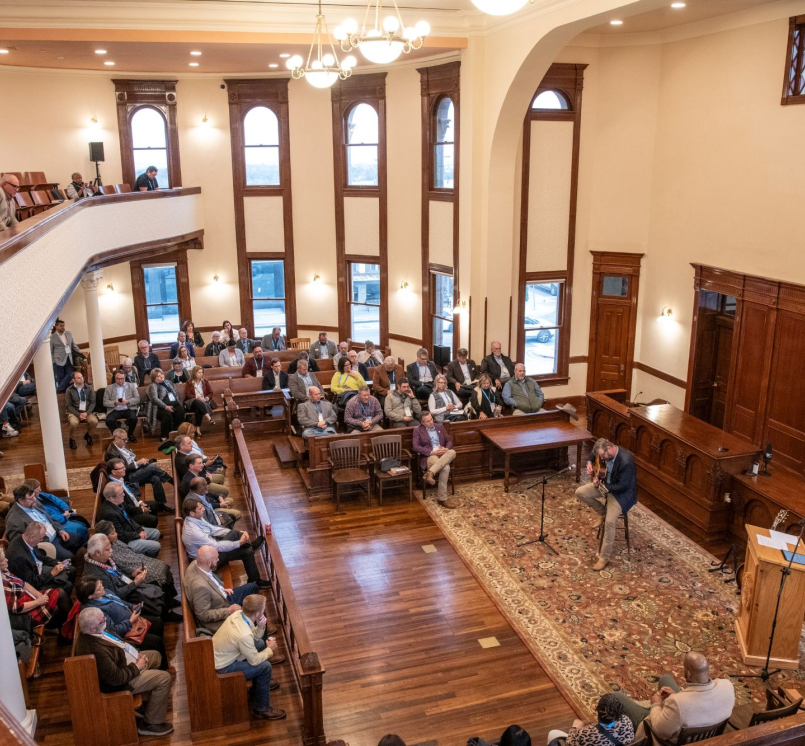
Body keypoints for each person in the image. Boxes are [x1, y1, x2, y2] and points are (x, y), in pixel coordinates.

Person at [74, 607, 174, 737]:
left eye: (104, 617)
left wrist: (134, 653)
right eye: (102, 620)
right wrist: (137, 667)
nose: (105, 620)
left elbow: (118, 642)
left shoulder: (97, 629)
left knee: (155, 656)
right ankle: (151, 723)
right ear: (92, 629)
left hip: (125, 661)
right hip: (122, 681)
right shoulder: (94, 649)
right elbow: (116, 678)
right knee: (164, 678)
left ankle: (150, 699)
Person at [612, 652, 735, 743]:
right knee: (666, 679)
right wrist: (675, 696)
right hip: (707, 735)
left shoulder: (678, 703)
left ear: (687, 674)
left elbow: (659, 730)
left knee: (616, 697)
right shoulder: (728, 686)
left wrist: (656, 704)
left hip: (671, 737)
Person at [212, 594, 286, 720]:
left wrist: (261, 626)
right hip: (223, 666)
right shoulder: (243, 634)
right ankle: (262, 708)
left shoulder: (239, 614)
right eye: (262, 609)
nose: (264, 610)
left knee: (260, 643)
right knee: (265, 667)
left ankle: (258, 688)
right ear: (257, 614)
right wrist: (270, 650)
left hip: (220, 654)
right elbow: (254, 660)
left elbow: (254, 638)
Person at [576, 438, 638, 572]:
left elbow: (623, 486)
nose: (602, 458)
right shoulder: (603, 449)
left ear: (610, 448)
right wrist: (589, 463)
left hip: (621, 494)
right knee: (580, 492)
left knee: (610, 522)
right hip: (606, 485)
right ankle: (602, 512)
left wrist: (603, 486)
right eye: (600, 456)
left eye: (603, 456)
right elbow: (594, 454)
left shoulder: (626, 461)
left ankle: (604, 557)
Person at [76, 579, 167, 668]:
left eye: (101, 584)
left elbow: (119, 601)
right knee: (156, 642)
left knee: (158, 623)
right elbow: (114, 631)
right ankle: (161, 666)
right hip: (127, 632)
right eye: (99, 588)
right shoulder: (96, 613)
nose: (103, 587)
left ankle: (156, 660)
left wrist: (132, 606)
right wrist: (130, 621)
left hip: (133, 619)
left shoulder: (105, 592)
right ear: (90, 597)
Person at [83, 533, 171, 624]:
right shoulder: (95, 574)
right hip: (124, 597)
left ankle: (169, 606)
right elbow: (115, 594)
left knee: (156, 584)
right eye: (108, 549)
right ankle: (165, 615)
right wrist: (135, 583)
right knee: (151, 603)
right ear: (97, 553)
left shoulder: (101, 558)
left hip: (126, 584)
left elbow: (117, 569)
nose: (111, 551)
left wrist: (132, 572)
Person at [181, 497, 269, 587]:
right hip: (207, 562)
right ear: (192, 513)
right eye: (200, 508)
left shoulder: (196, 518)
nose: (203, 509)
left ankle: (254, 581)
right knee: (235, 535)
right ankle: (249, 545)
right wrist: (239, 542)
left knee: (247, 551)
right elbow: (217, 546)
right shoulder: (193, 531)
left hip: (210, 552)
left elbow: (213, 530)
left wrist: (235, 534)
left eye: (202, 507)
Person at [183, 545, 264, 634]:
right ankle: (258, 631)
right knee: (259, 610)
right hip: (223, 608)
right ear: (209, 562)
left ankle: (254, 620)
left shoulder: (196, 563)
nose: (218, 560)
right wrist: (228, 611)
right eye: (216, 558)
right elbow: (203, 614)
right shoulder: (200, 587)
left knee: (253, 587)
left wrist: (220, 589)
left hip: (222, 596)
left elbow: (210, 579)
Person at [93, 520, 176, 604]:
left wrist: (132, 572)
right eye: (113, 533)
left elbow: (129, 554)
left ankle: (171, 599)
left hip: (135, 564)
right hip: (129, 576)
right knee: (159, 575)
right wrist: (133, 576)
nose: (116, 534)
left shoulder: (114, 542)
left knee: (163, 566)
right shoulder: (105, 555)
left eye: (115, 531)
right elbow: (120, 570)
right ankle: (167, 604)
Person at [2, 546, 71, 642]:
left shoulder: (5, 571)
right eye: (2, 560)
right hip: (25, 613)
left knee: (60, 592)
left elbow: (24, 584)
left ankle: (68, 631)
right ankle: (67, 634)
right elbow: (17, 607)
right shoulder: (2, 586)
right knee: (56, 610)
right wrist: (39, 601)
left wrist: (39, 595)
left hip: (29, 597)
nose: (6, 560)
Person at [5, 484, 83, 560]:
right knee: (70, 557)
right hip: (46, 544)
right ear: (21, 500)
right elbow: (20, 544)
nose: (35, 499)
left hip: (57, 535)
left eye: (34, 496)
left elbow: (50, 518)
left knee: (80, 538)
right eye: (31, 498)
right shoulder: (14, 520)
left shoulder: (34, 502)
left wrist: (61, 530)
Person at [105, 428, 172, 512]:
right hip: (127, 476)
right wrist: (138, 463)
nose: (126, 441)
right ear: (116, 439)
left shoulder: (122, 445)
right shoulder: (111, 453)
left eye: (127, 438)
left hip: (134, 471)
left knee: (156, 478)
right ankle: (171, 481)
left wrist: (139, 462)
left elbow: (130, 458)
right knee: (152, 467)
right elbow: (122, 469)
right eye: (124, 439)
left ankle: (161, 505)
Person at [20, 478, 89, 552]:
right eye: (37, 489)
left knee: (83, 523)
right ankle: (81, 551)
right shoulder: (34, 504)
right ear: (32, 492)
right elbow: (50, 517)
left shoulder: (41, 495)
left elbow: (55, 499)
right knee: (81, 529)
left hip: (63, 515)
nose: (40, 490)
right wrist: (64, 516)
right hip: (59, 523)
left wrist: (66, 508)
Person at [96, 482, 162, 557]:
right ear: (111, 497)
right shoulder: (109, 513)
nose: (124, 495)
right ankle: (144, 559)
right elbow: (120, 535)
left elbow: (129, 519)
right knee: (156, 546)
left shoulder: (118, 502)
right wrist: (138, 535)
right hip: (125, 541)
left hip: (130, 530)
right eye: (121, 494)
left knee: (156, 533)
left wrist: (140, 529)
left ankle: (144, 555)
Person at [6, 521, 75, 592]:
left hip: (39, 569)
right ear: (32, 537)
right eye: (40, 538)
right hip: (35, 583)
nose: (41, 540)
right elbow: (33, 582)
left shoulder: (27, 540)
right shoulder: (19, 557)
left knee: (71, 570)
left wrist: (58, 562)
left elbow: (41, 557)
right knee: (68, 585)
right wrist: (52, 573)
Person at [547, 694, 634, 746]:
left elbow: (570, 742)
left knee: (553, 733)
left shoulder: (586, 733)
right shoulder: (627, 722)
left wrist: (575, 727)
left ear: (597, 711)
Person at [412, 412, 458, 509]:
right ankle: (442, 499)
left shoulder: (440, 426)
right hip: (430, 456)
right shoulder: (417, 430)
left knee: (453, 452)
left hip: (443, 453)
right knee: (445, 468)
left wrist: (446, 449)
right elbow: (415, 447)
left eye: (431, 419)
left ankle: (430, 472)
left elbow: (449, 441)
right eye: (428, 421)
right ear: (422, 422)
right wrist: (431, 451)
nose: (431, 422)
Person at [106, 458, 159, 528]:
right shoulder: (113, 487)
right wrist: (141, 509)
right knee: (153, 519)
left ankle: (149, 528)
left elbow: (130, 493)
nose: (124, 469)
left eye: (124, 467)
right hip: (129, 514)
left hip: (134, 504)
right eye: (121, 468)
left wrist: (139, 502)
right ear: (114, 472)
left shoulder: (119, 478)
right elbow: (124, 506)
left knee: (154, 505)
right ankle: (148, 532)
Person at [146, 368, 185, 438]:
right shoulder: (153, 386)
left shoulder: (168, 382)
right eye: (158, 376)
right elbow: (155, 399)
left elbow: (176, 394)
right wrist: (166, 407)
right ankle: (165, 436)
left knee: (181, 411)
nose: (161, 376)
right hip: (160, 407)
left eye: (162, 374)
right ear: (154, 378)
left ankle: (175, 431)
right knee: (167, 415)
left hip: (173, 404)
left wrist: (178, 402)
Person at [64, 370, 98, 450]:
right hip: (74, 412)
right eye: (78, 378)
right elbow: (69, 406)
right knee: (73, 423)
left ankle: (88, 435)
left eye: (82, 377)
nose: (81, 379)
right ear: (73, 380)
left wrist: (87, 413)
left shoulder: (89, 388)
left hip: (86, 411)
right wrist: (79, 415)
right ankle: (72, 439)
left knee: (94, 421)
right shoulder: (69, 390)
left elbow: (93, 403)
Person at [103, 369, 141, 440]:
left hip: (127, 408)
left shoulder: (131, 386)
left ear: (125, 378)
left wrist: (128, 401)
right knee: (108, 421)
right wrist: (114, 402)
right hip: (115, 409)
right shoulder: (109, 388)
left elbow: (137, 399)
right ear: (115, 378)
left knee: (133, 418)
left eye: (122, 379)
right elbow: (105, 402)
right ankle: (117, 436)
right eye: (118, 379)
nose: (120, 381)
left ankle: (130, 434)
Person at [51, 318, 84, 393]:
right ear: (56, 326)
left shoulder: (68, 334)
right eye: (60, 326)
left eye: (63, 325)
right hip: (58, 360)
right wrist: (53, 361)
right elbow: (51, 351)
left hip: (68, 358)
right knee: (60, 377)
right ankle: (63, 394)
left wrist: (79, 351)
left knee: (70, 374)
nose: (62, 327)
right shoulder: (52, 337)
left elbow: (73, 344)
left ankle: (59, 390)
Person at [184, 366, 215, 433]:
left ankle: (198, 429)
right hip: (191, 402)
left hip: (203, 402)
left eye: (202, 372)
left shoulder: (205, 381)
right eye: (199, 372)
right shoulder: (189, 382)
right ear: (194, 373)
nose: (201, 374)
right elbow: (188, 395)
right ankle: (208, 417)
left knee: (198, 409)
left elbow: (211, 393)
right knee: (197, 401)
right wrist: (197, 397)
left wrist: (207, 398)